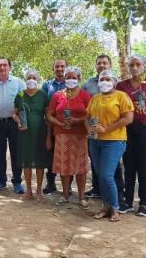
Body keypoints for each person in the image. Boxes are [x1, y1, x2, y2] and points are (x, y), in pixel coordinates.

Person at [116, 54, 146, 217]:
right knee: (128, 165)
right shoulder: (121, 85)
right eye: (131, 65)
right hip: (128, 129)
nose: (134, 67)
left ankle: (143, 203)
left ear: (144, 65)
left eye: (138, 64)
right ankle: (128, 201)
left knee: (143, 165)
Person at [86, 69, 134, 222]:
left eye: (107, 79)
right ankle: (105, 206)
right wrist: (89, 129)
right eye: (101, 79)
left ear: (114, 81)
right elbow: (87, 117)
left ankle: (115, 208)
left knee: (107, 175)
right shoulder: (95, 98)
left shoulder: (121, 96)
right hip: (95, 141)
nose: (104, 82)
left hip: (114, 141)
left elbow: (128, 118)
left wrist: (106, 129)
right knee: (101, 175)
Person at [46, 66, 91, 206]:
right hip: (62, 134)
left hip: (80, 135)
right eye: (68, 77)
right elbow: (49, 114)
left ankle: (82, 197)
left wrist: (78, 121)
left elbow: (90, 115)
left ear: (79, 79)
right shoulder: (57, 95)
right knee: (64, 167)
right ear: (64, 79)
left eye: (74, 77)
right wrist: (58, 122)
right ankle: (65, 195)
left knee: (80, 168)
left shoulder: (84, 95)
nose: (71, 80)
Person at [82, 54, 125, 199]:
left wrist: (107, 128)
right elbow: (85, 108)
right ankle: (98, 190)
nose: (101, 65)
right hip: (94, 132)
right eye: (99, 63)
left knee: (113, 167)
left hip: (113, 134)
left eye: (104, 63)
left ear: (110, 65)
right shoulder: (88, 84)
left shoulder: (118, 86)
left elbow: (126, 115)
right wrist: (88, 128)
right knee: (96, 165)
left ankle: (117, 194)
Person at [0, 57, 26, 194]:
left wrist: (22, 121)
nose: (2, 68)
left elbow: (24, 102)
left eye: (5, 65)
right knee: (0, 153)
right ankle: (0, 181)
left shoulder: (18, 83)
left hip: (14, 122)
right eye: (0, 65)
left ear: (10, 67)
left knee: (16, 152)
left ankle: (17, 182)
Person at [13, 69, 49, 201]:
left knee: (39, 163)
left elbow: (48, 116)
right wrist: (18, 121)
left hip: (40, 133)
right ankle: (28, 191)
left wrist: (48, 136)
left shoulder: (43, 95)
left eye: (34, 77)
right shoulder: (20, 94)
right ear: (25, 79)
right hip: (25, 134)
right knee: (26, 162)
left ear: (38, 80)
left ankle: (39, 191)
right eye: (29, 77)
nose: (31, 79)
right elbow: (14, 114)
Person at [41, 59, 67, 194]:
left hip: (68, 127)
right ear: (53, 68)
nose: (60, 68)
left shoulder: (72, 84)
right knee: (50, 155)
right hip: (51, 126)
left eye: (62, 66)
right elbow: (45, 108)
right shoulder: (47, 86)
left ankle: (66, 188)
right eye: (57, 66)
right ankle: (51, 183)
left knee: (67, 155)